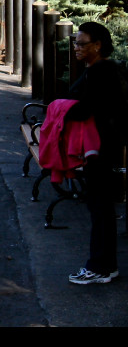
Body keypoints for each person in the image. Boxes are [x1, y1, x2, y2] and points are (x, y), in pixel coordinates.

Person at [65, 22, 128, 285]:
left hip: (100, 150)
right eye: (75, 43)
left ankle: (99, 267)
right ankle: (105, 266)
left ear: (97, 45)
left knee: (99, 209)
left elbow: (86, 109)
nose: (76, 48)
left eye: (82, 44)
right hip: (104, 148)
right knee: (101, 209)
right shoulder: (101, 69)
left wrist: (62, 108)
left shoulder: (101, 72)